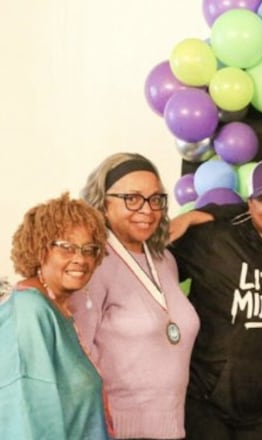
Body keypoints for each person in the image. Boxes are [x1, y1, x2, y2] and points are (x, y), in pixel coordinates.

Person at [169, 158, 262, 439]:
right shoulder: (218, 241)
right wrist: (204, 214)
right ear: (250, 203)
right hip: (204, 402)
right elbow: (152, 264)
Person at [69, 153, 200, 439]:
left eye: (156, 199)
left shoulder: (164, 259)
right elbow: (77, 356)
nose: (147, 209)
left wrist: (189, 216)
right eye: (132, 198)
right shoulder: (93, 262)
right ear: (103, 202)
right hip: (114, 430)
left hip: (172, 428)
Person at [1, 193, 109, 439]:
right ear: (40, 250)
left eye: (89, 249)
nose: (81, 259)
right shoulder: (29, 311)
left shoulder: (59, 311)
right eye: (67, 247)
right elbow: (27, 417)